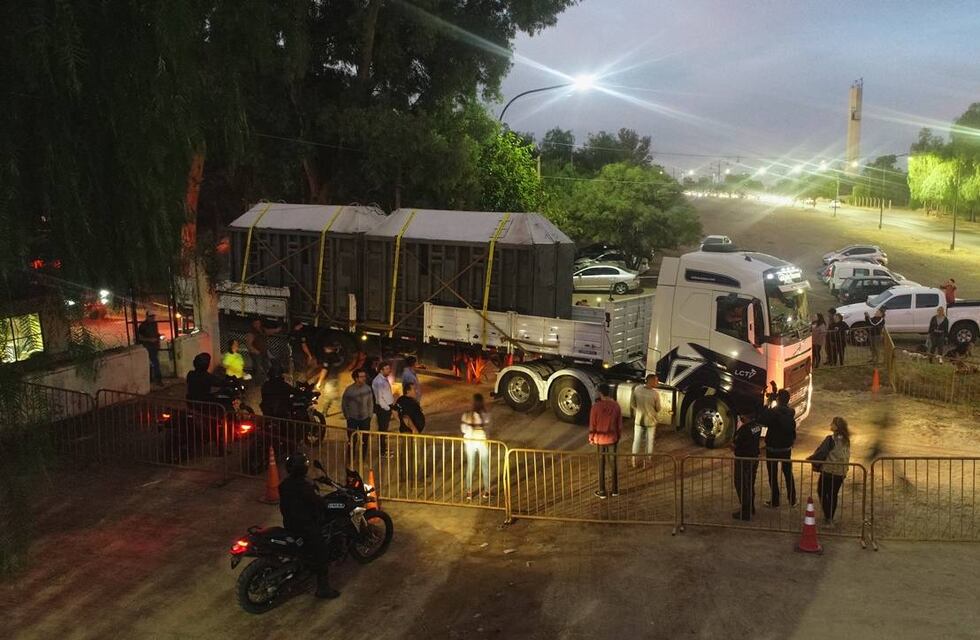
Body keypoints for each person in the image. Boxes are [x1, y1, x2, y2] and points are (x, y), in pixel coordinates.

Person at [278, 452, 338, 599]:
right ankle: (323, 589)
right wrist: (325, 504)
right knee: (322, 553)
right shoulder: (304, 488)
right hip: (305, 526)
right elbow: (318, 502)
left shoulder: (284, 485)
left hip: (289, 524)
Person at [808, 417, 851, 524]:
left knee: (821, 491)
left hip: (829, 470)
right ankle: (830, 516)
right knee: (833, 494)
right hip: (841, 472)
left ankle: (828, 516)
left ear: (836, 426)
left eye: (832, 423)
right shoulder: (846, 440)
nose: (830, 424)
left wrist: (811, 459)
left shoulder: (830, 439)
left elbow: (822, 453)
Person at [761, 389, 797, 508]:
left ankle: (775, 500)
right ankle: (792, 499)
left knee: (773, 475)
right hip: (786, 449)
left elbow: (762, 420)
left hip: (772, 449)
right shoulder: (791, 412)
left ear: (778, 399)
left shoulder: (773, 412)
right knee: (788, 474)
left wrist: (768, 403)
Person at [589, 383, 622, 499]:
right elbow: (619, 424)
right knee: (613, 464)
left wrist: (591, 438)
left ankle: (602, 491)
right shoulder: (616, 406)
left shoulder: (596, 407)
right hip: (612, 438)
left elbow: (592, 424)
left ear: (600, 393)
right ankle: (615, 490)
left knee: (601, 465)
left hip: (600, 439)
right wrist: (618, 436)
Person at [731, 406, 763, 521]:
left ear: (745, 416)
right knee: (750, 484)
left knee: (742, 484)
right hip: (754, 458)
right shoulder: (757, 426)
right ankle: (751, 507)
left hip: (743, 460)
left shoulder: (744, 430)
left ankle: (745, 512)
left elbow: (734, 444)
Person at [461, 393, 491, 499]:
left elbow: (463, 429)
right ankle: (486, 490)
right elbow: (488, 429)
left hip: (470, 442)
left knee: (471, 466)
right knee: (485, 465)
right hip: (482, 441)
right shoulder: (485, 415)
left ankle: (469, 491)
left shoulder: (467, 415)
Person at [630, 374, 662, 467]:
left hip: (639, 420)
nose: (657, 382)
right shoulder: (655, 394)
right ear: (651, 381)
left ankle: (634, 461)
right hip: (650, 421)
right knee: (649, 442)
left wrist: (639, 410)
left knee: (636, 441)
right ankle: (646, 462)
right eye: (656, 380)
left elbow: (633, 404)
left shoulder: (637, 389)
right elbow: (658, 408)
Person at [341, 369, 374, 450]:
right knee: (352, 440)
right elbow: (344, 404)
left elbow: (370, 403)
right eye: (361, 377)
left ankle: (362, 460)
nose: (364, 378)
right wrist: (347, 416)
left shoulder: (367, 388)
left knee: (365, 441)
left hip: (365, 418)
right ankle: (350, 459)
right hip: (352, 418)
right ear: (356, 378)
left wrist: (370, 415)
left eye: (364, 376)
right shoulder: (349, 390)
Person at [245, 318, 281, 384]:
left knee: (266, 367)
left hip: (264, 353)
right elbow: (248, 344)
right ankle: (258, 383)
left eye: (259, 323)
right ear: (253, 324)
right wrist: (255, 351)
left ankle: (265, 381)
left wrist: (276, 330)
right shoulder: (251, 332)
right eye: (256, 323)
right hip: (256, 354)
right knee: (258, 368)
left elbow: (269, 331)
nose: (258, 324)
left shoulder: (262, 330)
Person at [372, 361, 395, 456]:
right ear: (381, 370)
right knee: (382, 430)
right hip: (383, 408)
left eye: (389, 368)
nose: (389, 371)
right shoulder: (379, 381)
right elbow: (379, 398)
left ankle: (384, 449)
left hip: (386, 407)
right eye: (387, 369)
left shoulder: (383, 379)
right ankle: (382, 451)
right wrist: (387, 408)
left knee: (384, 430)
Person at [137, 311, 162, 385]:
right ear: (147, 317)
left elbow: (156, 333)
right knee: (155, 362)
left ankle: (152, 379)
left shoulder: (154, 324)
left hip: (154, 346)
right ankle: (157, 379)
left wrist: (158, 342)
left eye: (153, 317)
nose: (153, 318)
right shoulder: (143, 326)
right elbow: (140, 338)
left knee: (153, 363)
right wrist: (150, 340)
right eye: (151, 317)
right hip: (148, 346)